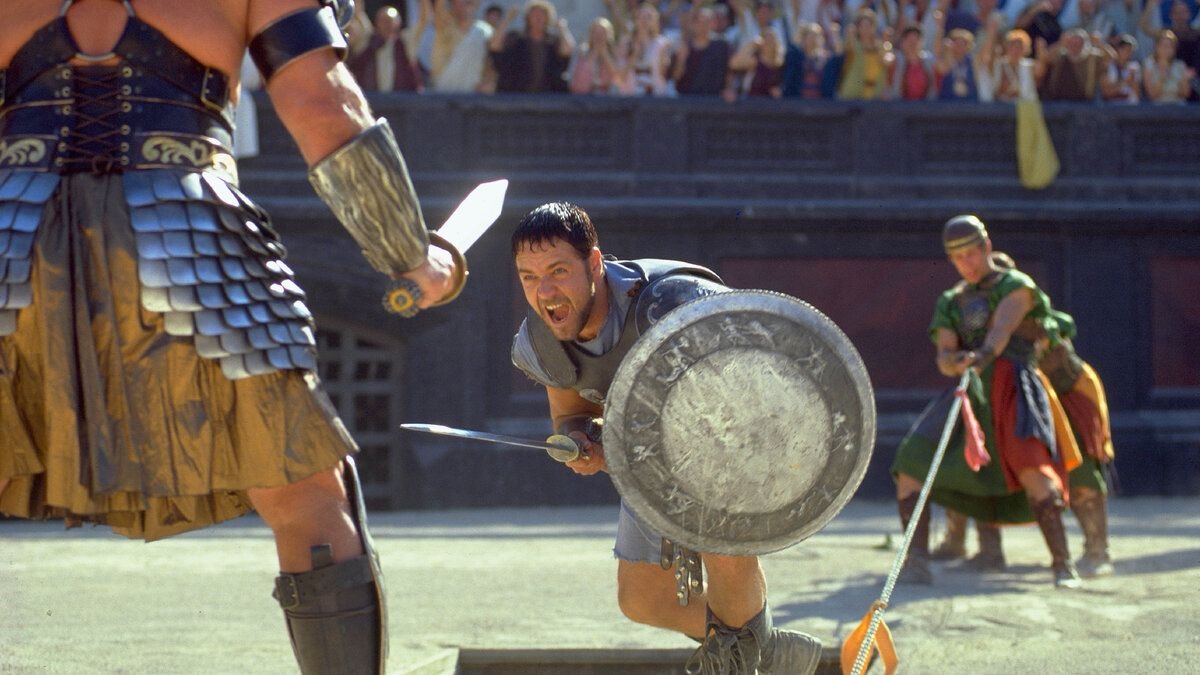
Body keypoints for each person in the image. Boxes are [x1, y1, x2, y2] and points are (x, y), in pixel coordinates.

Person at [0, 1, 462, 672]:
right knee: (303, 489)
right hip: (184, 238)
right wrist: (411, 254)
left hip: (12, 244)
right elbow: (320, 104)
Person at [508, 202, 823, 674]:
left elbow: (760, 378)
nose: (545, 290)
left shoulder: (675, 303)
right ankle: (767, 649)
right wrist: (581, 443)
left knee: (721, 546)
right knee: (643, 601)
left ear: (594, 263)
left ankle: (739, 655)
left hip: (731, 449)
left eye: (558, 271)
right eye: (529, 277)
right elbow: (571, 415)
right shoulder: (543, 337)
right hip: (649, 465)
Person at [890, 215, 1084, 589]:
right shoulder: (951, 301)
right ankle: (916, 562)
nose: (967, 263)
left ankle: (1063, 563)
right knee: (911, 461)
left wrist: (981, 355)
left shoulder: (1016, 285)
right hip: (969, 392)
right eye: (957, 257)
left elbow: (1000, 332)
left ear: (986, 247)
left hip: (1014, 386)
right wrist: (956, 361)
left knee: (1034, 470)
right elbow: (944, 355)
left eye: (971, 254)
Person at [932, 252, 1117, 579]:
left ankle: (1097, 550)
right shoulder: (973, 320)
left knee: (1081, 471)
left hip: (1066, 397)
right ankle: (982, 549)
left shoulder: (1036, 319)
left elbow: (1043, 359)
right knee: (975, 465)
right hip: (1015, 403)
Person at [488, 0, 576, 93]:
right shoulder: (516, 38)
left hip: (548, 96)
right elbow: (494, 46)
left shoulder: (553, 41)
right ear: (527, 18)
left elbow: (568, 50)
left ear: (548, 18)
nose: (538, 18)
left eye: (542, 15)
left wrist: (562, 28)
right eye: (534, 15)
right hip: (515, 95)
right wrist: (507, 20)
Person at [348, 4, 424, 91]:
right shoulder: (367, 40)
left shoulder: (405, 42)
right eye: (383, 20)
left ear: (398, 23)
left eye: (390, 20)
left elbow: (423, 20)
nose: (387, 24)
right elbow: (359, 13)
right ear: (377, 22)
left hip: (400, 97)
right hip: (371, 96)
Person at [427, 0, 495, 93]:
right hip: (443, 96)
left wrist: (488, 84)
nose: (467, 2)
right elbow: (438, 10)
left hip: (472, 97)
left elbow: (490, 68)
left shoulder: (486, 31)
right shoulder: (444, 26)